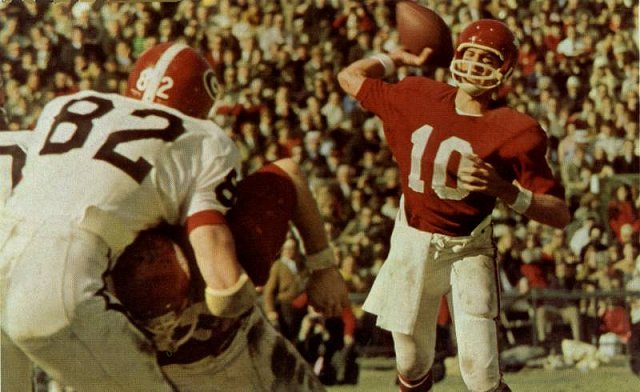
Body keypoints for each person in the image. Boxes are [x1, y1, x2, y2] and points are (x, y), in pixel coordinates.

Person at [0, 41, 344, 391]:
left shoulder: (65, 105)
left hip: (12, 266)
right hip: (66, 288)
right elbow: (224, 279)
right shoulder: (202, 137)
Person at [338, 19, 570, 392]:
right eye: (471, 54)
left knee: (481, 374)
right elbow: (348, 76)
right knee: (412, 365)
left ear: (504, 70)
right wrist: (395, 58)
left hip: (469, 246)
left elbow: (559, 214)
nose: (477, 65)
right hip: (412, 240)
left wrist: (506, 191)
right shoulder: (416, 94)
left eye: (488, 59)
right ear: (457, 55)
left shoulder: (517, 130)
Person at [111, 155, 348, 391]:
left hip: (243, 345)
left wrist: (323, 266)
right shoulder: (89, 282)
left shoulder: (239, 240)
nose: (167, 327)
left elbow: (288, 172)